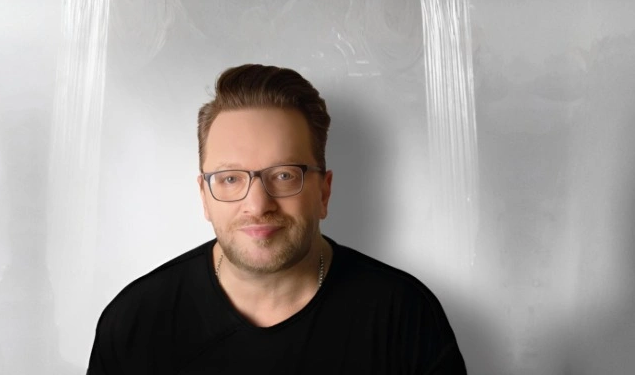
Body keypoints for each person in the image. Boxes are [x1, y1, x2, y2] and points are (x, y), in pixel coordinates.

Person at [87, 64, 467, 374]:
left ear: (323, 192)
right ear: (204, 196)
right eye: (230, 178)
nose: (257, 204)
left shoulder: (405, 316)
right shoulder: (135, 322)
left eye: (284, 175)